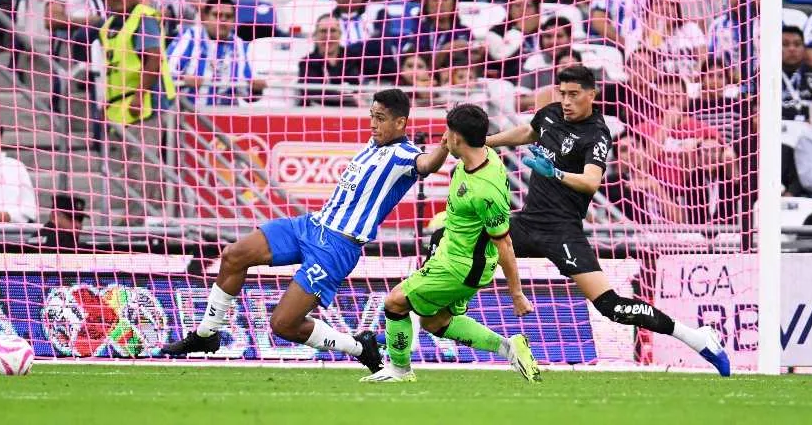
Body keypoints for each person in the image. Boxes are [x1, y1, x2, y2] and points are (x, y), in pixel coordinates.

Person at [161, 89, 450, 374]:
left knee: (283, 324)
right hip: (310, 225)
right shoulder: (374, 144)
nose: (373, 124)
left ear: (400, 123)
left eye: (381, 118)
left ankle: (360, 347)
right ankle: (206, 333)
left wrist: (444, 146)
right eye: (372, 116)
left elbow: (427, 164)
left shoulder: (405, 154)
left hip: (336, 247)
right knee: (234, 255)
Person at [486, 65, 731, 376]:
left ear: (592, 95)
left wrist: (556, 173)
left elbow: (591, 182)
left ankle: (698, 338)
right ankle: (441, 323)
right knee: (458, 241)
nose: (566, 101)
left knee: (612, 307)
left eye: (574, 95)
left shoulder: (597, 134)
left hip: (562, 232)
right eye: (563, 93)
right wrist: (488, 142)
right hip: (527, 222)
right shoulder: (550, 114)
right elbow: (528, 131)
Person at [361, 104, 541, 383]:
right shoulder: (484, 155)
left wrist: (516, 294)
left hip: (460, 266)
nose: (444, 137)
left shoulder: (484, 190)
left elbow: (505, 243)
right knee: (435, 322)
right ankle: (509, 347)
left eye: (448, 132)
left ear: (457, 137)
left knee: (395, 302)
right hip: (458, 256)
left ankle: (399, 370)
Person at [167, 0, 266, 107]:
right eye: (217, 15)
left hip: (225, 116)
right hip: (187, 113)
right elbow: (166, 72)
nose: (223, 20)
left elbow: (247, 92)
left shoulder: (238, 44)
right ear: (205, 18)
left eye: (228, 16)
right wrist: (183, 79)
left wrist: (256, 89)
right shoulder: (190, 36)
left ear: (234, 21)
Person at [297, 15, 361, 106]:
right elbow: (314, 92)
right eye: (323, 31)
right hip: (316, 115)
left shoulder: (354, 58)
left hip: (351, 114)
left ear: (340, 34)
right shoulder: (307, 62)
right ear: (315, 36)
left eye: (333, 30)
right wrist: (349, 99)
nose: (328, 36)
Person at [782, 25, 812, 122]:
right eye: (785, 44)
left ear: (804, 48)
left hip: (810, 131)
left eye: (797, 44)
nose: (792, 49)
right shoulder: (766, 74)